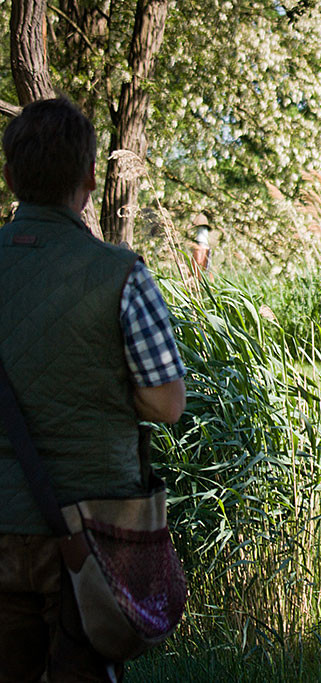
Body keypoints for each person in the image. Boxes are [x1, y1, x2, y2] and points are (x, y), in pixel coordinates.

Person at [0, 98, 186, 681]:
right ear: (87, 178)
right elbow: (167, 402)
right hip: (90, 536)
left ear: (9, 177)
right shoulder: (123, 273)